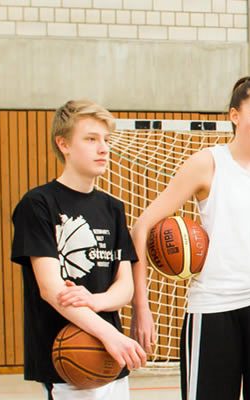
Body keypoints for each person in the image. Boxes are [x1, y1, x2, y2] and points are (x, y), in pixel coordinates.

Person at [130, 77, 250, 400]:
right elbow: (141, 228)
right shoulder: (207, 164)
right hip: (215, 309)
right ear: (234, 115)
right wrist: (141, 306)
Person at [11, 100, 148, 399]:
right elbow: (50, 288)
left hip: (112, 359)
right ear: (64, 144)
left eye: (106, 140)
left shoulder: (113, 208)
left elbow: (124, 287)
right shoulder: (38, 204)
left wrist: (96, 301)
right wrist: (109, 334)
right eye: (90, 139)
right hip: (68, 361)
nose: (103, 148)